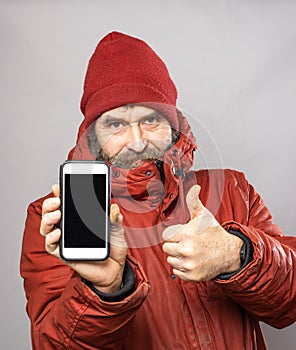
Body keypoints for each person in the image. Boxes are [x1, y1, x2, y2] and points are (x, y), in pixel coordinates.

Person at [20, 31, 296, 350]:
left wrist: (236, 254)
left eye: (150, 119)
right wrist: (105, 290)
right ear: (93, 135)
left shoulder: (234, 189)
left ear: (173, 124)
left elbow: (288, 305)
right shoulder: (56, 217)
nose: (137, 141)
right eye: (116, 124)